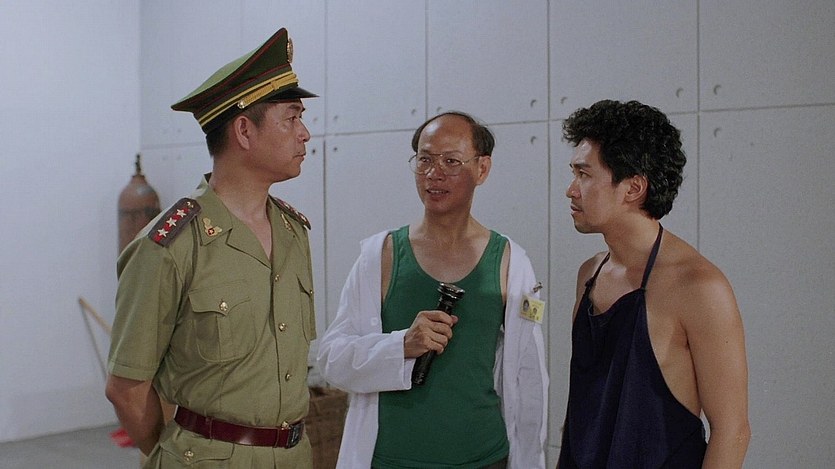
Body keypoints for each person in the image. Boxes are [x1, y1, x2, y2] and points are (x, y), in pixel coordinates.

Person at [105, 28, 319, 468]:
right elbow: (126, 389)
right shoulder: (171, 245)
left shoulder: (293, 232)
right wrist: (180, 455)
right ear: (244, 130)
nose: (305, 134)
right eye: (291, 118)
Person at [317, 112, 549, 469]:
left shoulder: (511, 262)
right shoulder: (380, 256)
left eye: (451, 161)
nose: (433, 173)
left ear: (482, 169)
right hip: (391, 459)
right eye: (424, 159)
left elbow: (529, 376)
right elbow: (332, 359)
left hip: (484, 458)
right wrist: (400, 346)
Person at [557, 100, 751, 468]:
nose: (571, 190)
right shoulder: (590, 274)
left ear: (633, 188)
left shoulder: (699, 286)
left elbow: (733, 430)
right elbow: (584, 410)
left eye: (584, 174)